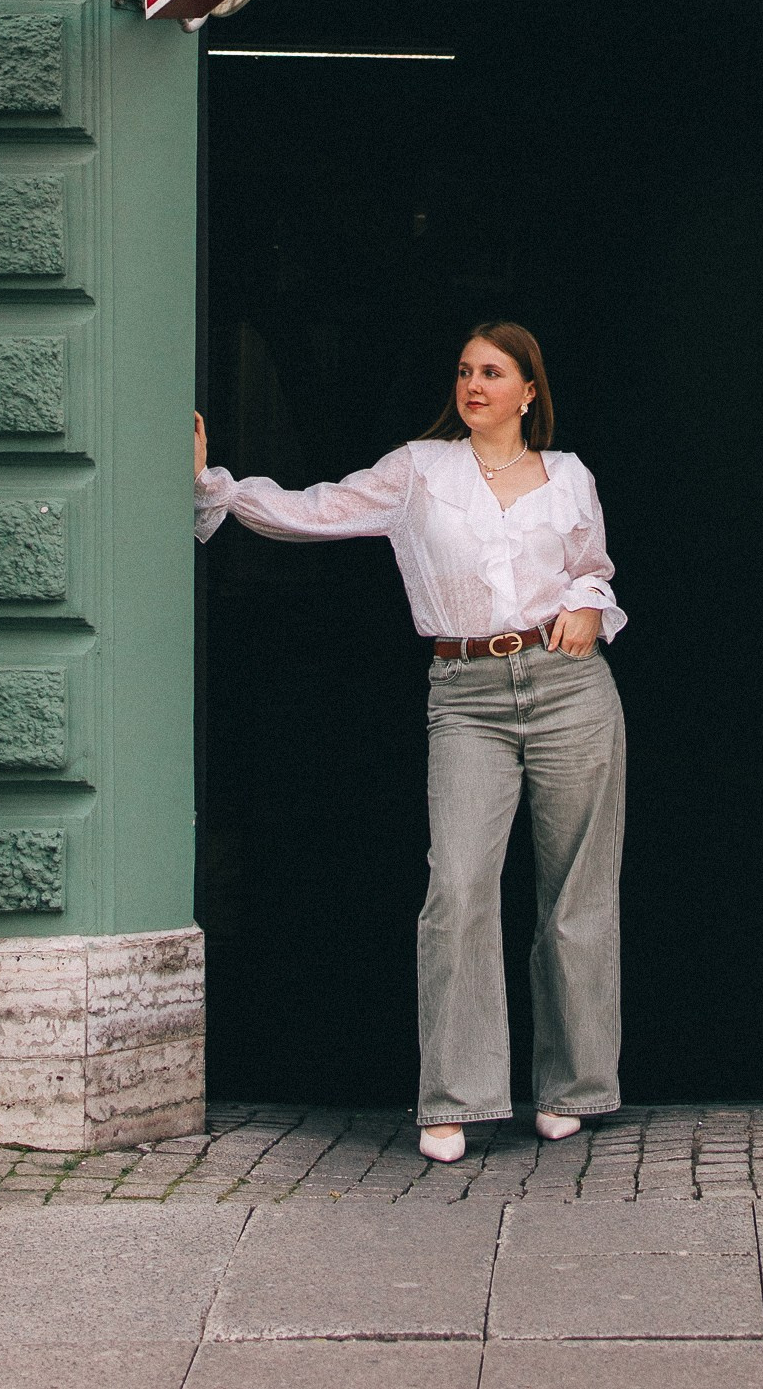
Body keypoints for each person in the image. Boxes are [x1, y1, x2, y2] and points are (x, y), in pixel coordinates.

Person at [194, 319, 625, 1163]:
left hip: (569, 687)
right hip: (465, 693)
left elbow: (593, 566)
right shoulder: (418, 473)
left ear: (528, 391)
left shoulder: (569, 476)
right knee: (458, 886)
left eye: (493, 373)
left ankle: (575, 1085)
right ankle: (457, 1097)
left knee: (577, 889)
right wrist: (218, 486)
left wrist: (587, 604)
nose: (474, 386)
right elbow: (317, 509)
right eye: (465, 371)